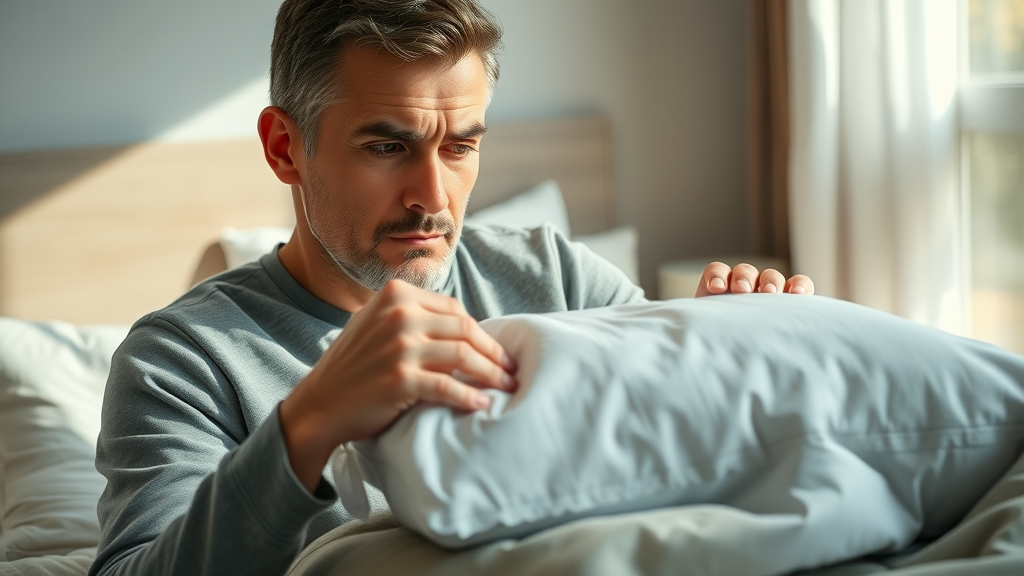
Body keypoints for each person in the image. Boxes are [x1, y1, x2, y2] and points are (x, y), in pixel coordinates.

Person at [90, 1, 814, 575]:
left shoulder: (555, 276)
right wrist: (308, 423)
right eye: (387, 146)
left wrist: (726, 359)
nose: (433, 197)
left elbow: (682, 457)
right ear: (286, 148)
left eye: (461, 145)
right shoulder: (182, 359)